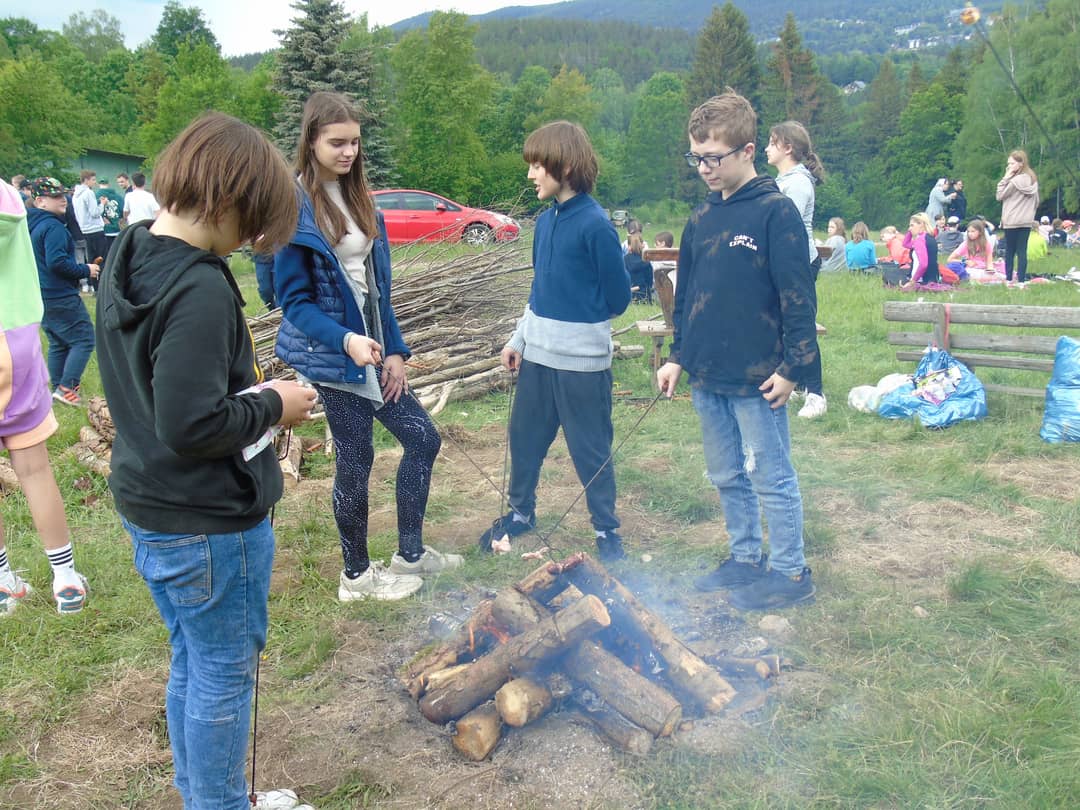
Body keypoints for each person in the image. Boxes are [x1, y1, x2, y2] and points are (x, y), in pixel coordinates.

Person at [95, 112, 318, 810]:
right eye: (251, 223)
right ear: (227, 200)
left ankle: (203, 796)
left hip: (152, 505)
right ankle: (220, 805)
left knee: (193, 656)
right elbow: (191, 423)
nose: (251, 241)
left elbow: (169, 397)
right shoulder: (197, 288)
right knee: (223, 670)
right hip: (208, 522)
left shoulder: (133, 249)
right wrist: (274, 404)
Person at [274, 92, 453, 601]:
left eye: (354, 141)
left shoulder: (361, 199)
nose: (349, 151)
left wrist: (394, 350)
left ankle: (409, 554)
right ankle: (355, 576)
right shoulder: (293, 207)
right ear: (311, 141)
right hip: (332, 357)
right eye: (337, 142)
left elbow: (378, 288)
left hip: (371, 350)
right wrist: (347, 339)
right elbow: (294, 303)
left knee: (423, 439)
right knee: (356, 460)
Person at [658, 90, 816, 611]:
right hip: (707, 374)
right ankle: (745, 558)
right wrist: (677, 356)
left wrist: (794, 367)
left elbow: (798, 298)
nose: (703, 169)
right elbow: (687, 297)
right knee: (726, 474)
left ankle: (791, 571)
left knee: (771, 476)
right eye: (696, 158)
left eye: (712, 158)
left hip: (760, 376)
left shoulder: (776, 212)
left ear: (748, 150)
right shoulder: (701, 218)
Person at [477, 119, 631, 561]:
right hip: (538, 361)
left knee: (590, 450)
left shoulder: (596, 225)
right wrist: (518, 340)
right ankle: (521, 514)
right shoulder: (545, 223)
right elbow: (539, 291)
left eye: (537, 166)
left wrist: (577, 324)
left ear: (563, 166)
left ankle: (606, 532)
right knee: (524, 439)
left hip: (582, 366)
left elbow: (619, 299)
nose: (530, 175)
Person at [0, 178, 90, 616]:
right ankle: (66, 579)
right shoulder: (7, 196)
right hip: (13, 337)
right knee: (34, 469)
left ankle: (3, 585)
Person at [765, 119, 828, 419]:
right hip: (783, 263)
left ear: (787, 147)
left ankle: (815, 393)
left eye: (772, 142)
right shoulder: (783, 180)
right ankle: (796, 382)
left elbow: (783, 226)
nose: (766, 148)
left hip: (799, 263)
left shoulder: (798, 183)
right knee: (783, 324)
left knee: (801, 325)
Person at [25, 177, 99, 406]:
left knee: (59, 342)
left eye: (63, 194)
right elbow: (57, 262)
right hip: (60, 295)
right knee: (84, 339)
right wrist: (86, 269)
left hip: (42, 295)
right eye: (55, 196)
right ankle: (67, 389)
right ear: (40, 201)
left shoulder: (33, 225)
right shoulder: (53, 227)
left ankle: (58, 390)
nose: (63, 199)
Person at [996, 149, 1039, 284]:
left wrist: (1005, 177)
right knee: (1022, 251)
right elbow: (1037, 201)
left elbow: (999, 196)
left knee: (1010, 251)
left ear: (1021, 163)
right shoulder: (1033, 180)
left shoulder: (1014, 181)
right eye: (1008, 164)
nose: (1009, 166)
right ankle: (1021, 281)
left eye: (1012, 163)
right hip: (1026, 220)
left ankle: (1009, 279)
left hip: (1011, 220)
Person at [72, 170, 109, 276]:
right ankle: (101, 281)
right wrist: (102, 204)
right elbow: (95, 213)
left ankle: (93, 282)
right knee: (101, 258)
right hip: (95, 229)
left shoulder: (75, 195)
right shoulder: (88, 192)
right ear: (86, 180)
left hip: (84, 229)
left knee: (91, 259)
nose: (95, 182)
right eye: (93, 180)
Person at [901, 212, 940, 289]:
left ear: (921, 224)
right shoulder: (929, 237)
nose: (909, 228)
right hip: (932, 278)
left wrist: (913, 281)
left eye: (912, 225)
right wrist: (910, 231)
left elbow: (923, 264)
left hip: (921, 280)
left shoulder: (920, 240)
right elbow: (905, 244)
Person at [97, 176, 125, 259]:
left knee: (105, 257)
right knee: (116, 255)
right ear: (108, 184)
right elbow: (123, 213)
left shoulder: (95, 196)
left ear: (99, 184)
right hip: (117, 230)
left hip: (103, 230)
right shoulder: (118, 197)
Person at [625, 231, 653, 302]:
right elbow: (650, 282)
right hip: (644, 295)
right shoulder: (646, 261)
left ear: (629, 246)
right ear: (643, 245)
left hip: (627, 295)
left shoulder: (624, 260)